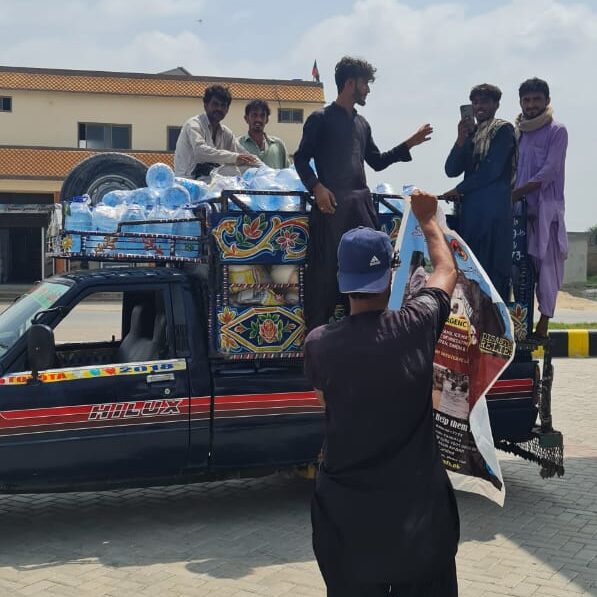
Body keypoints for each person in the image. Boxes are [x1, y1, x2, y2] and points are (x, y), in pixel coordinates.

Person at [304, 190, 459, 597]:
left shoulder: (319, 345)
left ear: (342, 280)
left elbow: (326, 403)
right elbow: (446, 270)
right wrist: (428, 220)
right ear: (390, 276)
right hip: (420, 530)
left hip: (347, 530)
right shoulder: (416, 325)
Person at [294, 56, 433, 330]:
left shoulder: (362, 124)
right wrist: (317, 188)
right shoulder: (320, 119)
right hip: (331, 211)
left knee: (367, 279)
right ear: (350, 83)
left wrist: (409, 144)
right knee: (324, 282)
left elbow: (377, 161)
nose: (367, 89)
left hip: (360, 211)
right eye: (364, 83)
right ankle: (317, 346)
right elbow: (300, 158)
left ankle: (365, 341)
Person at [444, 83, 517, 301]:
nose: (479, 107)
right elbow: (451, 169)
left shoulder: (503, 130)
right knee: (470, 272)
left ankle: (496, 323)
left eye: (484, 101)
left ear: (496, 104)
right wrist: (461, 139)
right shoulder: (472, 135)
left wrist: (459, 189)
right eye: (475, 102)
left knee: (494, 276)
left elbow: (491, 171)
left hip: (494, 217)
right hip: (472, 217)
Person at [512, 78, 568, 338]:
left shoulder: (557, 131)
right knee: (519, 271)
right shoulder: (518, 133)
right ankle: (518, 325)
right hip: (518, 213)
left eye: (536, 99)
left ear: (547, 101)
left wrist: (517, 193)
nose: (531, 105)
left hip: (546, 212)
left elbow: (550, 170)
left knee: (547, 270)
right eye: (526, 100)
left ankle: (543, 323)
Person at [174, 85, 260, 179]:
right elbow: (200, 152)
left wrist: (266, 170)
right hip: (187, 181)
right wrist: (234, 158)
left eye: (223, 105)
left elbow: (245, 156)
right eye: (215, 104)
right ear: (206, 105)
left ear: (227, 109)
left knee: (247, 169)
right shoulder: (194, 124)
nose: (219, 109)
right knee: (231, 170)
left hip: (211, 181)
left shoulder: (226, 133)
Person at [238, 100, 290, 169]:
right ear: (246, 118)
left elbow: (287, 172)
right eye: (254, 115)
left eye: (262, 116)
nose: (258, 119)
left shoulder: (278, 145)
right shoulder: (237, 145)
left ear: (267, 120)